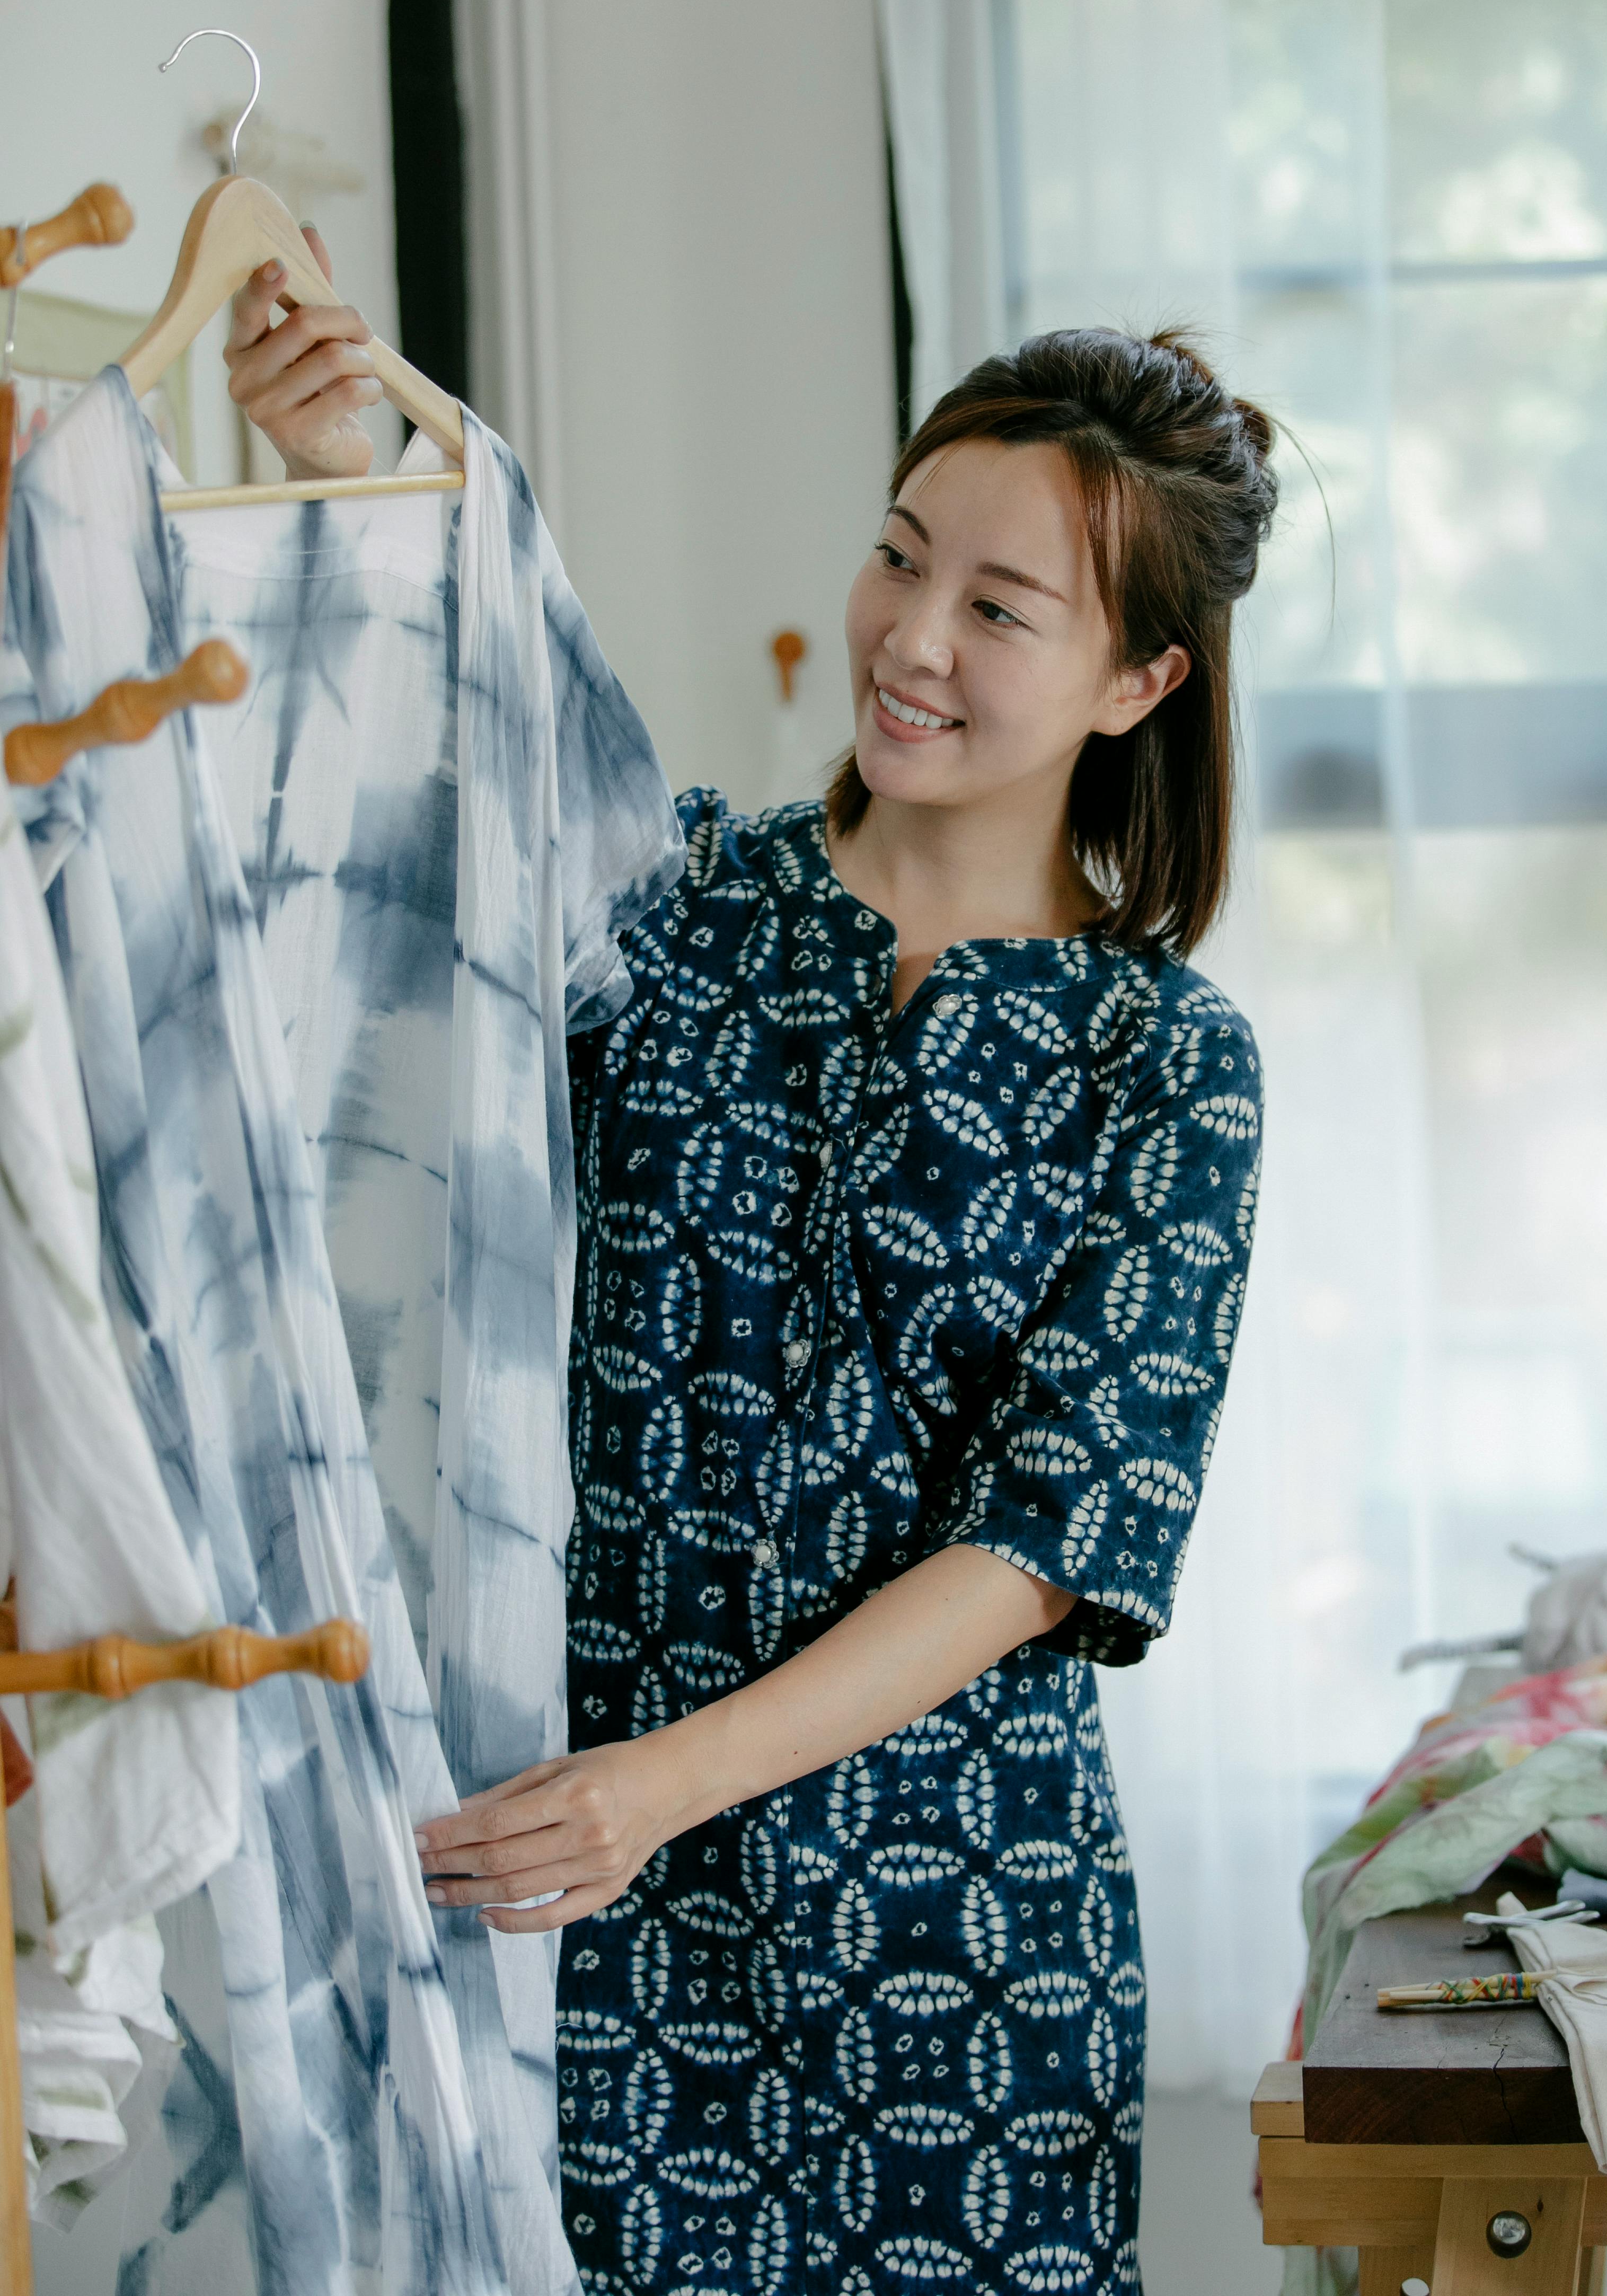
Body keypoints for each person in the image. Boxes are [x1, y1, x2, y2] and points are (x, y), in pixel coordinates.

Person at [232, 244, 1272, 2295]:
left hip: (958, 1954)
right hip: (587, 1908)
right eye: (902, 559)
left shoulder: (1173, 1068)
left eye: (1001, 609)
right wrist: (347, 455)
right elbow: (448, 767)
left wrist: (660, 1789)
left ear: (1140, 679)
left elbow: (1044, 1544)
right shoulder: (668, 906)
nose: (912, 638)